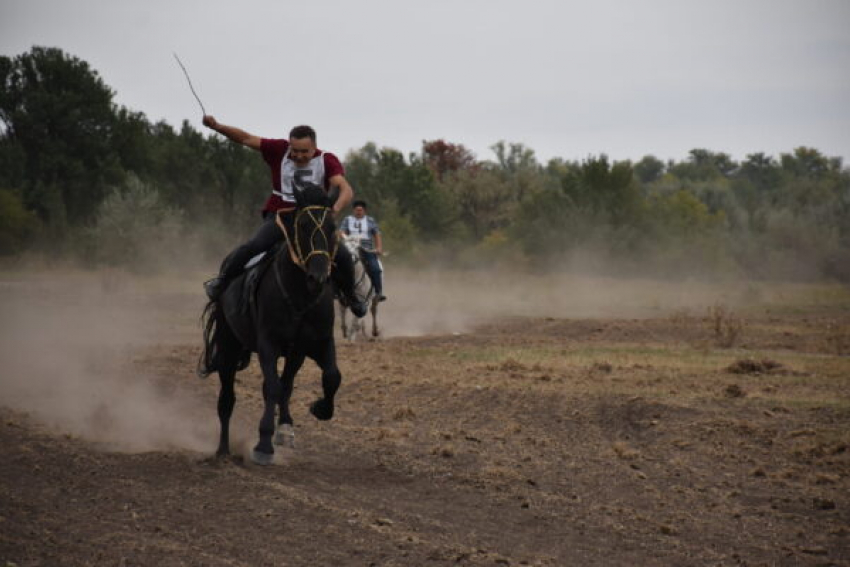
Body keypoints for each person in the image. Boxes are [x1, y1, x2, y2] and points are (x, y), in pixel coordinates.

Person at [201, 115, 367, 317]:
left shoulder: (326, 160)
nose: (298, 156)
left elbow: (345, 188)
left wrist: (334, 210)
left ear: (314, 148)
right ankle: (222, 282)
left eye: (304, 152)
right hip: (282, 217)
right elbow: (245, 138)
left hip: (313, 221)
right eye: (295, 150)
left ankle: (351, 296)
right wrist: (217, 126)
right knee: (253, 246)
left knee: (342, 255)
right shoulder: (278, 150)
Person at [340, 200, 386, 302]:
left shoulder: (370, 220)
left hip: (366, 249)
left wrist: (379, 247)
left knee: (375, 268)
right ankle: (338, 292)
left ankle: (378, 292)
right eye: (356, 210)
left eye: (360, 210)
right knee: (338, 265)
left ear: (364, 210)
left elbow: (377, 234)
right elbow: (341, 231)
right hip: (350, 248)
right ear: (353, 210)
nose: (358, 212)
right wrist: (346, 237)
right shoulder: (347, 220)